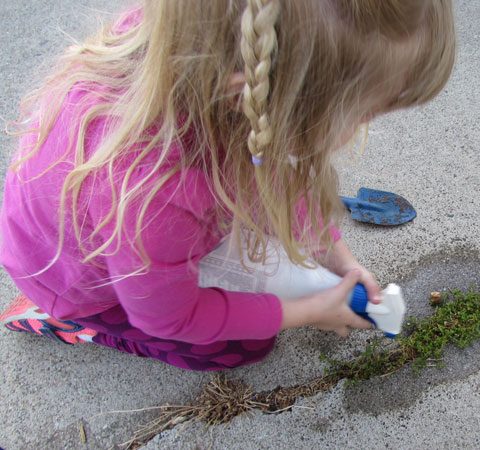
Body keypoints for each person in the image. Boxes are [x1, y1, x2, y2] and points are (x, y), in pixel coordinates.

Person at [0, 0, 455, 371]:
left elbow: (275, 174)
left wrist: (336, 255)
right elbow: (172, 318)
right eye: (361, 113)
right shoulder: (154, 195)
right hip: (76, 281)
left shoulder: (203, 48)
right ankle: (73, 323)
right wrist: (307, 312)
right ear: (253, 93)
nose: (363, 127)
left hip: (128, 237)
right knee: (243, 348)